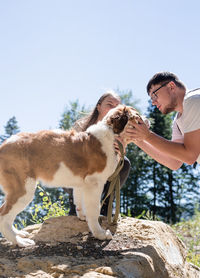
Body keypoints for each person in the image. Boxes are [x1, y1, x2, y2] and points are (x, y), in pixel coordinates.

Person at [67, 90, 131, 216]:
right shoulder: (81, 126)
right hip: (79, 171)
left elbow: (115, 161)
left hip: (102, 171)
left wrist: (120, 151)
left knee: (125, 163)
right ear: (99, 106)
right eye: (109, 104)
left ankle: (107, 205)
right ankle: (75, 205)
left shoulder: (118, 130)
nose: (113, 108)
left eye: (117, 106)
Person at [124, 72, 200, 170]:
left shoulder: (193, 100)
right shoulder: (178, 122)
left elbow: (190, 156)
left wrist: (147, 135)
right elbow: (173, 162)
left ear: (171, 86)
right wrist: (137, 137)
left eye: (154, 95)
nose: (153, 103)